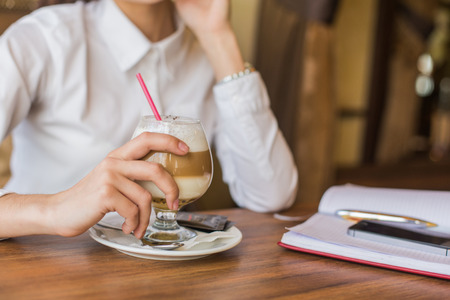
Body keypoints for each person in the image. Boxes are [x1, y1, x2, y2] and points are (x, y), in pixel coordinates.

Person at [0, 0, 298, 239]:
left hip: (165, 272)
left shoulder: (205, 52)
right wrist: (54, 210)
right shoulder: (41, 39)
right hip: (39, 264)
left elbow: (271, 195)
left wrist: (217, 35)